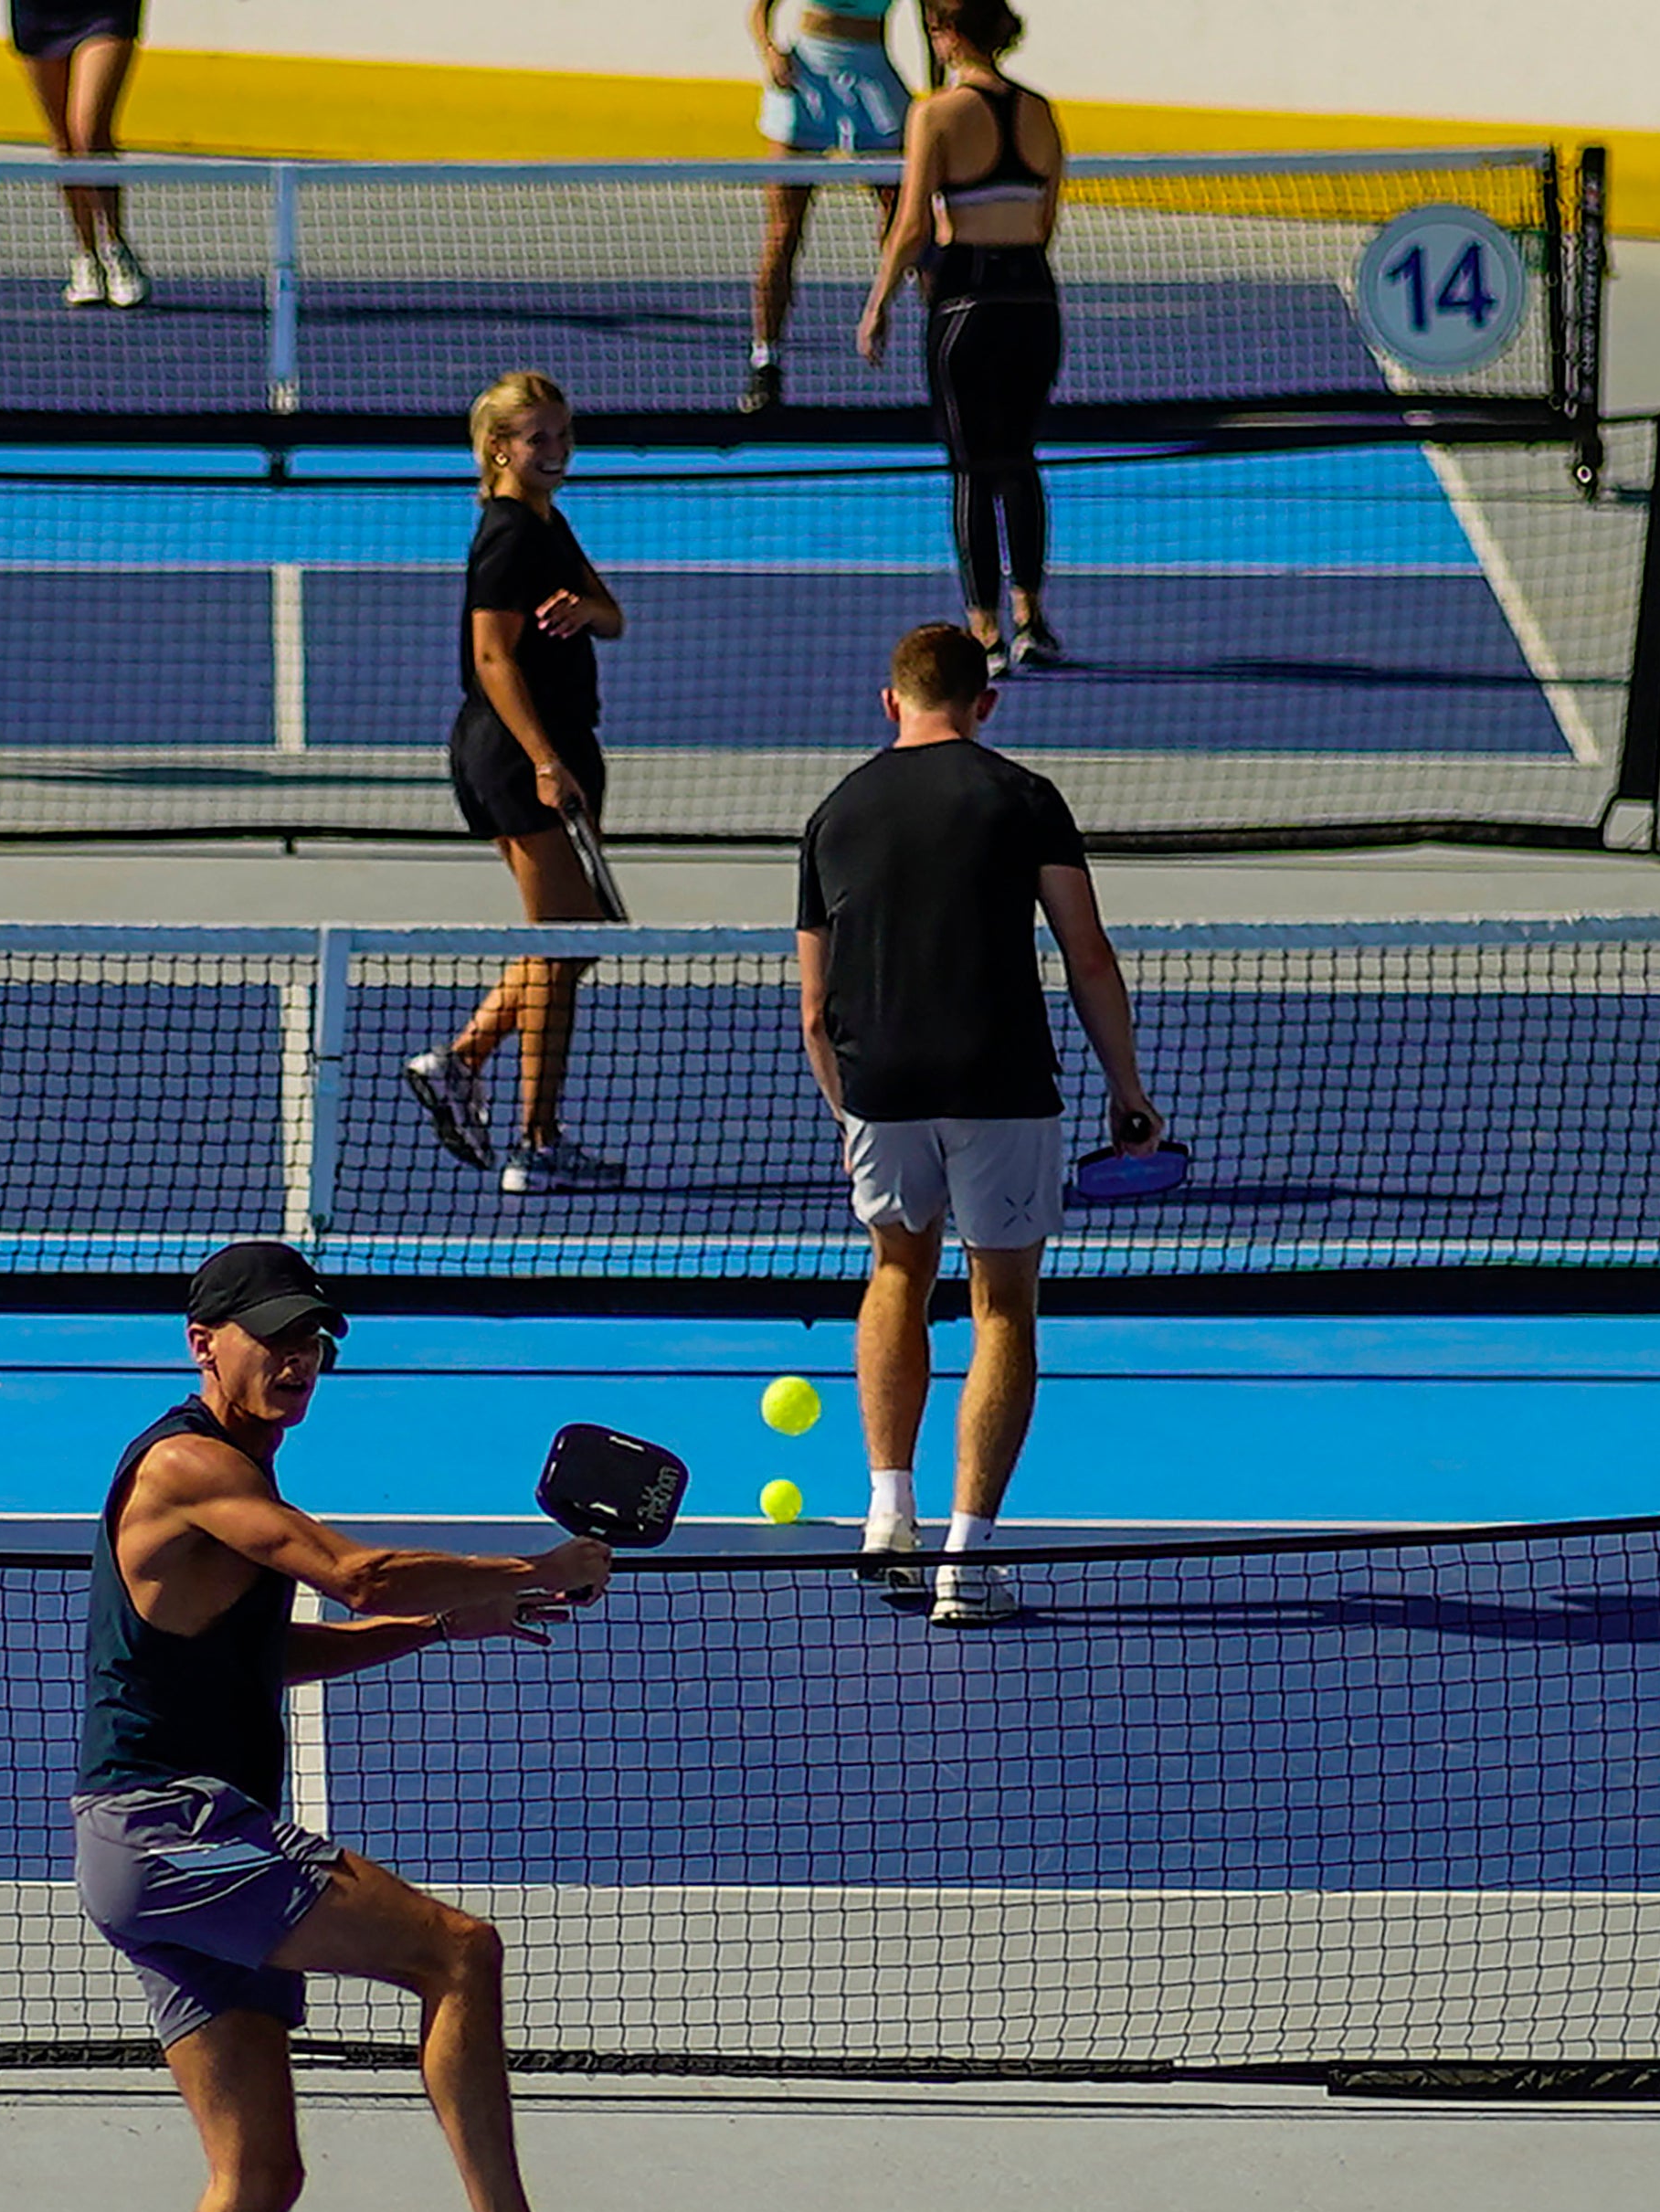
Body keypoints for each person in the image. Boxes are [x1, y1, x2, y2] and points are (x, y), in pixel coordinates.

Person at [69, 1240, 680, 2212]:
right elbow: (351, 1570)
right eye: (274, 1336)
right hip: (179, 1833)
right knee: (458, 1953)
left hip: (143, 1854)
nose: (299, 1360)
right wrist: (535, 1560)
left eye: (315, 1342)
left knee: (259, 2175)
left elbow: (271, 1645)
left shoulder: (234, 1476)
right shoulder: (187, 1466)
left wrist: (463, 1621)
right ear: (202, 1341)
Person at [795, 623, 1154, 1626]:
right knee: (1003, 1306)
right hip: (1001, 1084)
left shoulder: (833, 813)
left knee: (895, 1273)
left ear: (888, 700)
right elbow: (1085, 953)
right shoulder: (1023, 795)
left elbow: (814, 1009)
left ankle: (885, 1512)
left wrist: (846, 1107)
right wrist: (1126, 1087)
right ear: (983, 703)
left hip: (883, 1087)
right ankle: (968, 1557)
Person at [403, 371, 632, 1200]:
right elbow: (493, 659)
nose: (557, 451)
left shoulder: (546, 522)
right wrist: (543, 758)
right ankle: (533, 1142)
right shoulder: (507, 534)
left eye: (564, 436)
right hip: (519, 755)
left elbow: (613, 613)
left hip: (561, 745)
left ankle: (462, 1063)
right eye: (539, 438)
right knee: (567, 941)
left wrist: (582, 610)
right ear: (499, 447)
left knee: (578, 938)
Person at [855, 0, 1064, 674]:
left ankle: (986, 629)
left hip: (967, 302)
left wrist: (880, 300)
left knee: (973, 467)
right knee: (1021, 458)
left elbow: (912, 223)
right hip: (1033, 297)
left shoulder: (935, 115)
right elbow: (1044, 219)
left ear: (947, 34)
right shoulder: (1038, 110)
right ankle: (1032, 615)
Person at [742, 0, 915, 414]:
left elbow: (933, 24)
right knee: (784, 233)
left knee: (907, 227)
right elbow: (760, 10)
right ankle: (765, 360)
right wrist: (770, 53)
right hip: (807, 81)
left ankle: (933, 348)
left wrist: (942, 97)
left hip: (874, 77)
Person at [9, 0, 149, 307]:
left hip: (104, 11)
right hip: (38, 14)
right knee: (65, 142)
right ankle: (85, 254)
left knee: (89, 133)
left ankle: (114, 246)